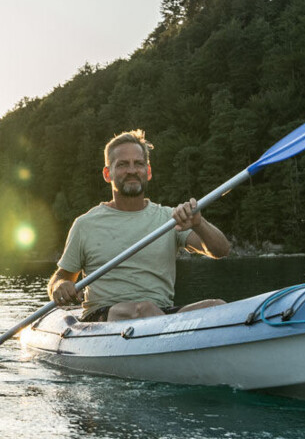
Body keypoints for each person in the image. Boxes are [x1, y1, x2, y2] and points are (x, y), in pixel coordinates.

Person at [48, 129, 230, 322]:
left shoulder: (169, 219)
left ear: (148, 172)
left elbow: (221, 250)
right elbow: (61, 278)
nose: (132, 170)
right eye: (123, 165)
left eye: (139, 164)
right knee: (143, 310)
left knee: (217, 306)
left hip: (160, 314)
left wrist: (198, 223)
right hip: (103, 318)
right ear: (107, 173)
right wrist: (59, 286)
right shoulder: (85, 224)